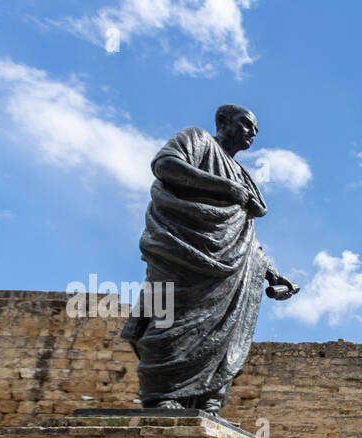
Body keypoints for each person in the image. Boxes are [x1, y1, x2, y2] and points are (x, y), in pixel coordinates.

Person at [120, 104, 299, 413]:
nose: (251, 133)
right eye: (245, 125)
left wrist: (271, 272)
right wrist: (224, 186)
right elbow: (165, 165)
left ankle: (208, 400)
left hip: (229, 267)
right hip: (184, 249)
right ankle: (164, 395)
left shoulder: (242, 176)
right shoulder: (198, 139)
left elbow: (244, 234)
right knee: (174, 317)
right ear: (222, 122)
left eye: (255, 130)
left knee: (223, 330)